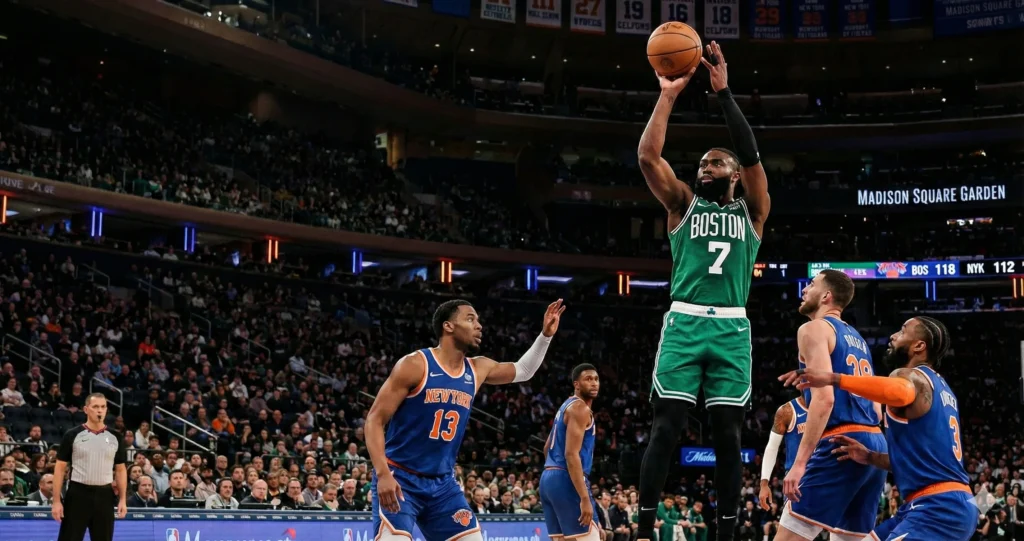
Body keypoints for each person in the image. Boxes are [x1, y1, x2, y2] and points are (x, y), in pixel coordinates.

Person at [635, 41, 770, 541]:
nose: (703, 168)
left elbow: (752, 155)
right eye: (701, 165)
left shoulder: (754, 212)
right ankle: (645, 529)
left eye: (714, 164)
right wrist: (668, 95)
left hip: (732, 325)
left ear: (735, 174)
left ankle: (727, 533)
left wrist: (725, 94)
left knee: (728, 438)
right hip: (685, 320)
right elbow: (649, 158)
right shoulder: (682, 205)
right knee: (666, 428)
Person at [367, 299, 564, 541]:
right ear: (448, 326)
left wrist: (545, 335)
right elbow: (374, 420)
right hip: (401, 477)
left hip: (442, 484)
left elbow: (523, 370)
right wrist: (383, 474)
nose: (479, 325)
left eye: (478, 320)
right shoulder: (416, 364)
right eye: (470, 319)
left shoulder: (478, 368)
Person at [781, 316, 977, 541]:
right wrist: (870, 456)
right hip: (938, 504)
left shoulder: (910, 376)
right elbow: (920, 461)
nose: (893, 336)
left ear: (919, 346)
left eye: (902, 331)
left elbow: (901, 391)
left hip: (938, 509)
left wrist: (833, 378)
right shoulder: (945, 390)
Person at [772, 270, 887, 541]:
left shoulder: (812, 329)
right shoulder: (858, 340)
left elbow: (825, 399)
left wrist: (799, 464)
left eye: (811, 284)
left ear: (826, 296)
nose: (804, 289)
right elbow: (877, 408)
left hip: (841, 443)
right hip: (873, 442)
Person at [51, 393, 128, 541]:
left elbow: (120, 469)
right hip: (78, 494)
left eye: (103, 407)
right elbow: (60, 469)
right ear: (86, 409)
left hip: (105, 496)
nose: (100, 410)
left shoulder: (116, 437)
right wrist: (56, 501)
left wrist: (123, 499)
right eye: (95, 407)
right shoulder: (72, 435)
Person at [541, 364, 601, 541]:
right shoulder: (580, 408)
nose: (594, 383)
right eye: (588, 379)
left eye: (596, 379)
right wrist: (583, 497)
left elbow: (546, 448)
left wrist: (555, 474)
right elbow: (571, 454)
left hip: (548, 478)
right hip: (567, 478)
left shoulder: (565, 406)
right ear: (576, 384)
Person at [758, 395, 807, 511]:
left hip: (825, 473)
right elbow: (772, 448)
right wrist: (764, 483)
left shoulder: (831, 407)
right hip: (797, 480)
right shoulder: (787, 411)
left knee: (834, 528)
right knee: (791, 528)